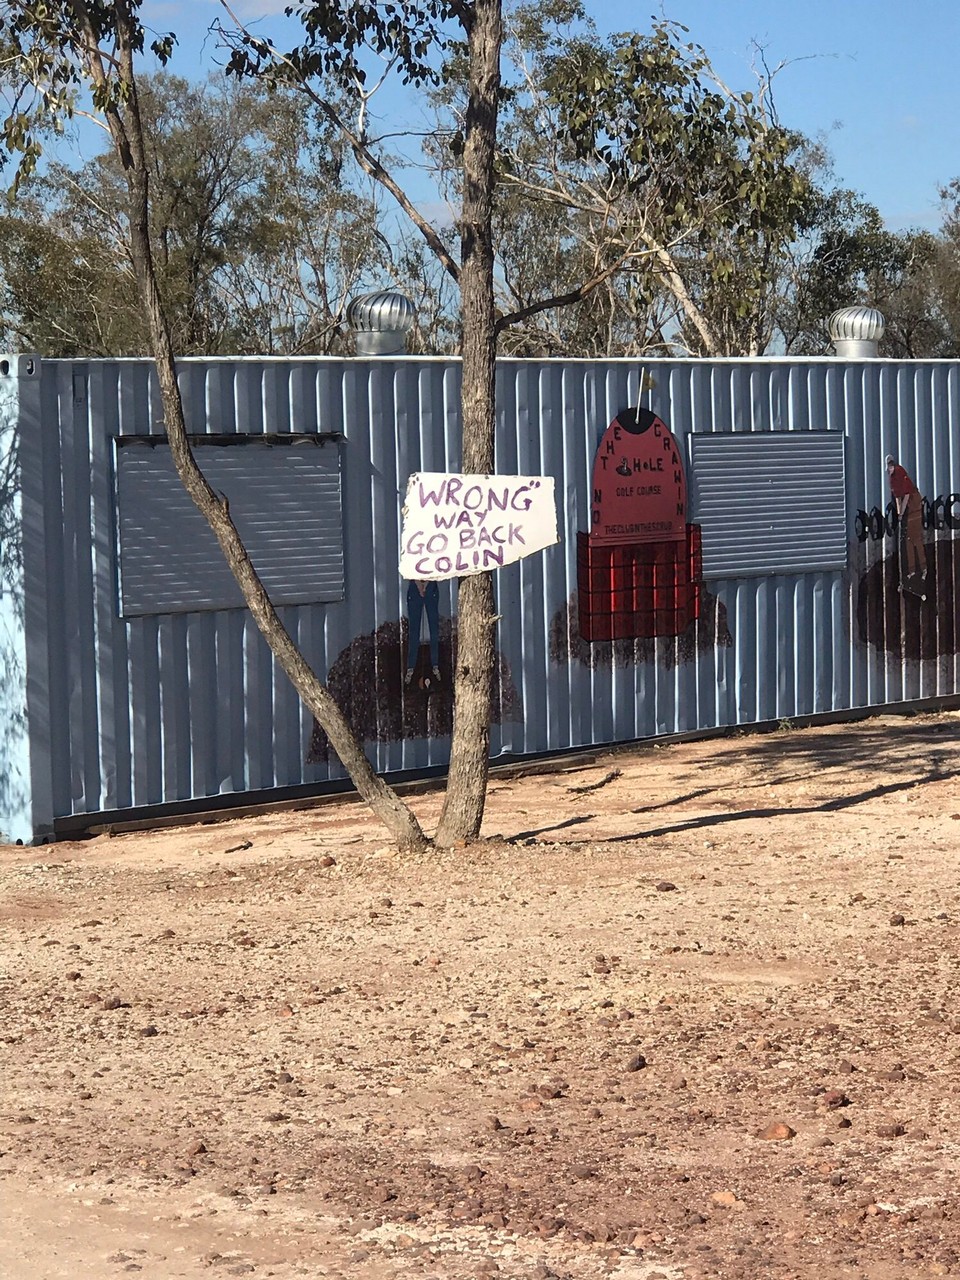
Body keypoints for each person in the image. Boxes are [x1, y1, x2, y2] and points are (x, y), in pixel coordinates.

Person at [886, 455, 926, 584]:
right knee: (908, 539)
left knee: (915, 537)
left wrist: (902, 513)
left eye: (890, 466)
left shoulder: (900, 472)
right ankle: (912, 570)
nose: (889, 469)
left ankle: (923, 568)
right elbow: (898, 498)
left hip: (914, 502)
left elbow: (907, 495)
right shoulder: (892, 480)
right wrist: (899, 514)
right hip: (907, 505)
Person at [405, 579, 440, 685]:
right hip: (417, 584)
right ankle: (411, 669)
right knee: (414, 632)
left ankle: (435, 667)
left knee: (434, 630)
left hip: (430, 583)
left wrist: (426, 584)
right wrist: (418, 584)